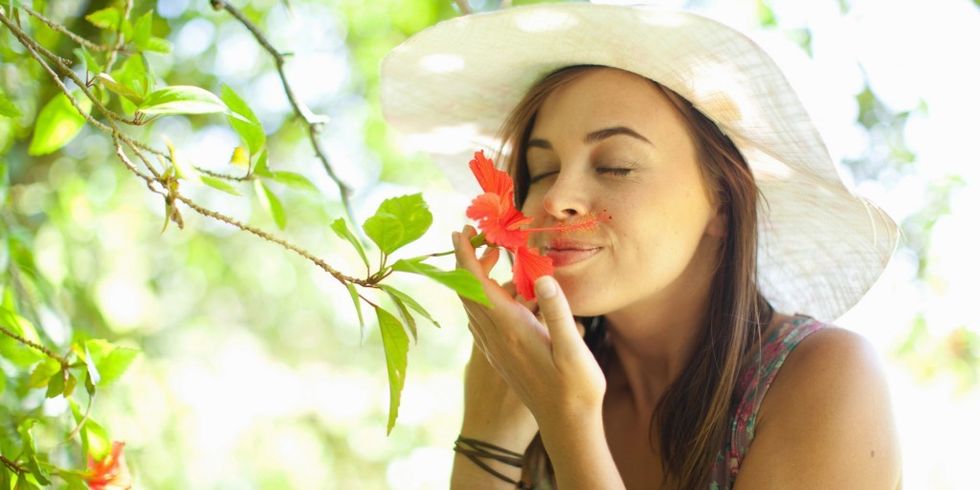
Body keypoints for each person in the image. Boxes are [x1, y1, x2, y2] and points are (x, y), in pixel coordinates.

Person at [380, 3, 902, 489]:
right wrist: (489, 433)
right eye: (542, 170)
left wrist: (569, 423)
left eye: (616, 166)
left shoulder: (825, 378)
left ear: (721, 204)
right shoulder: (532, 382)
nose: (557, 197)